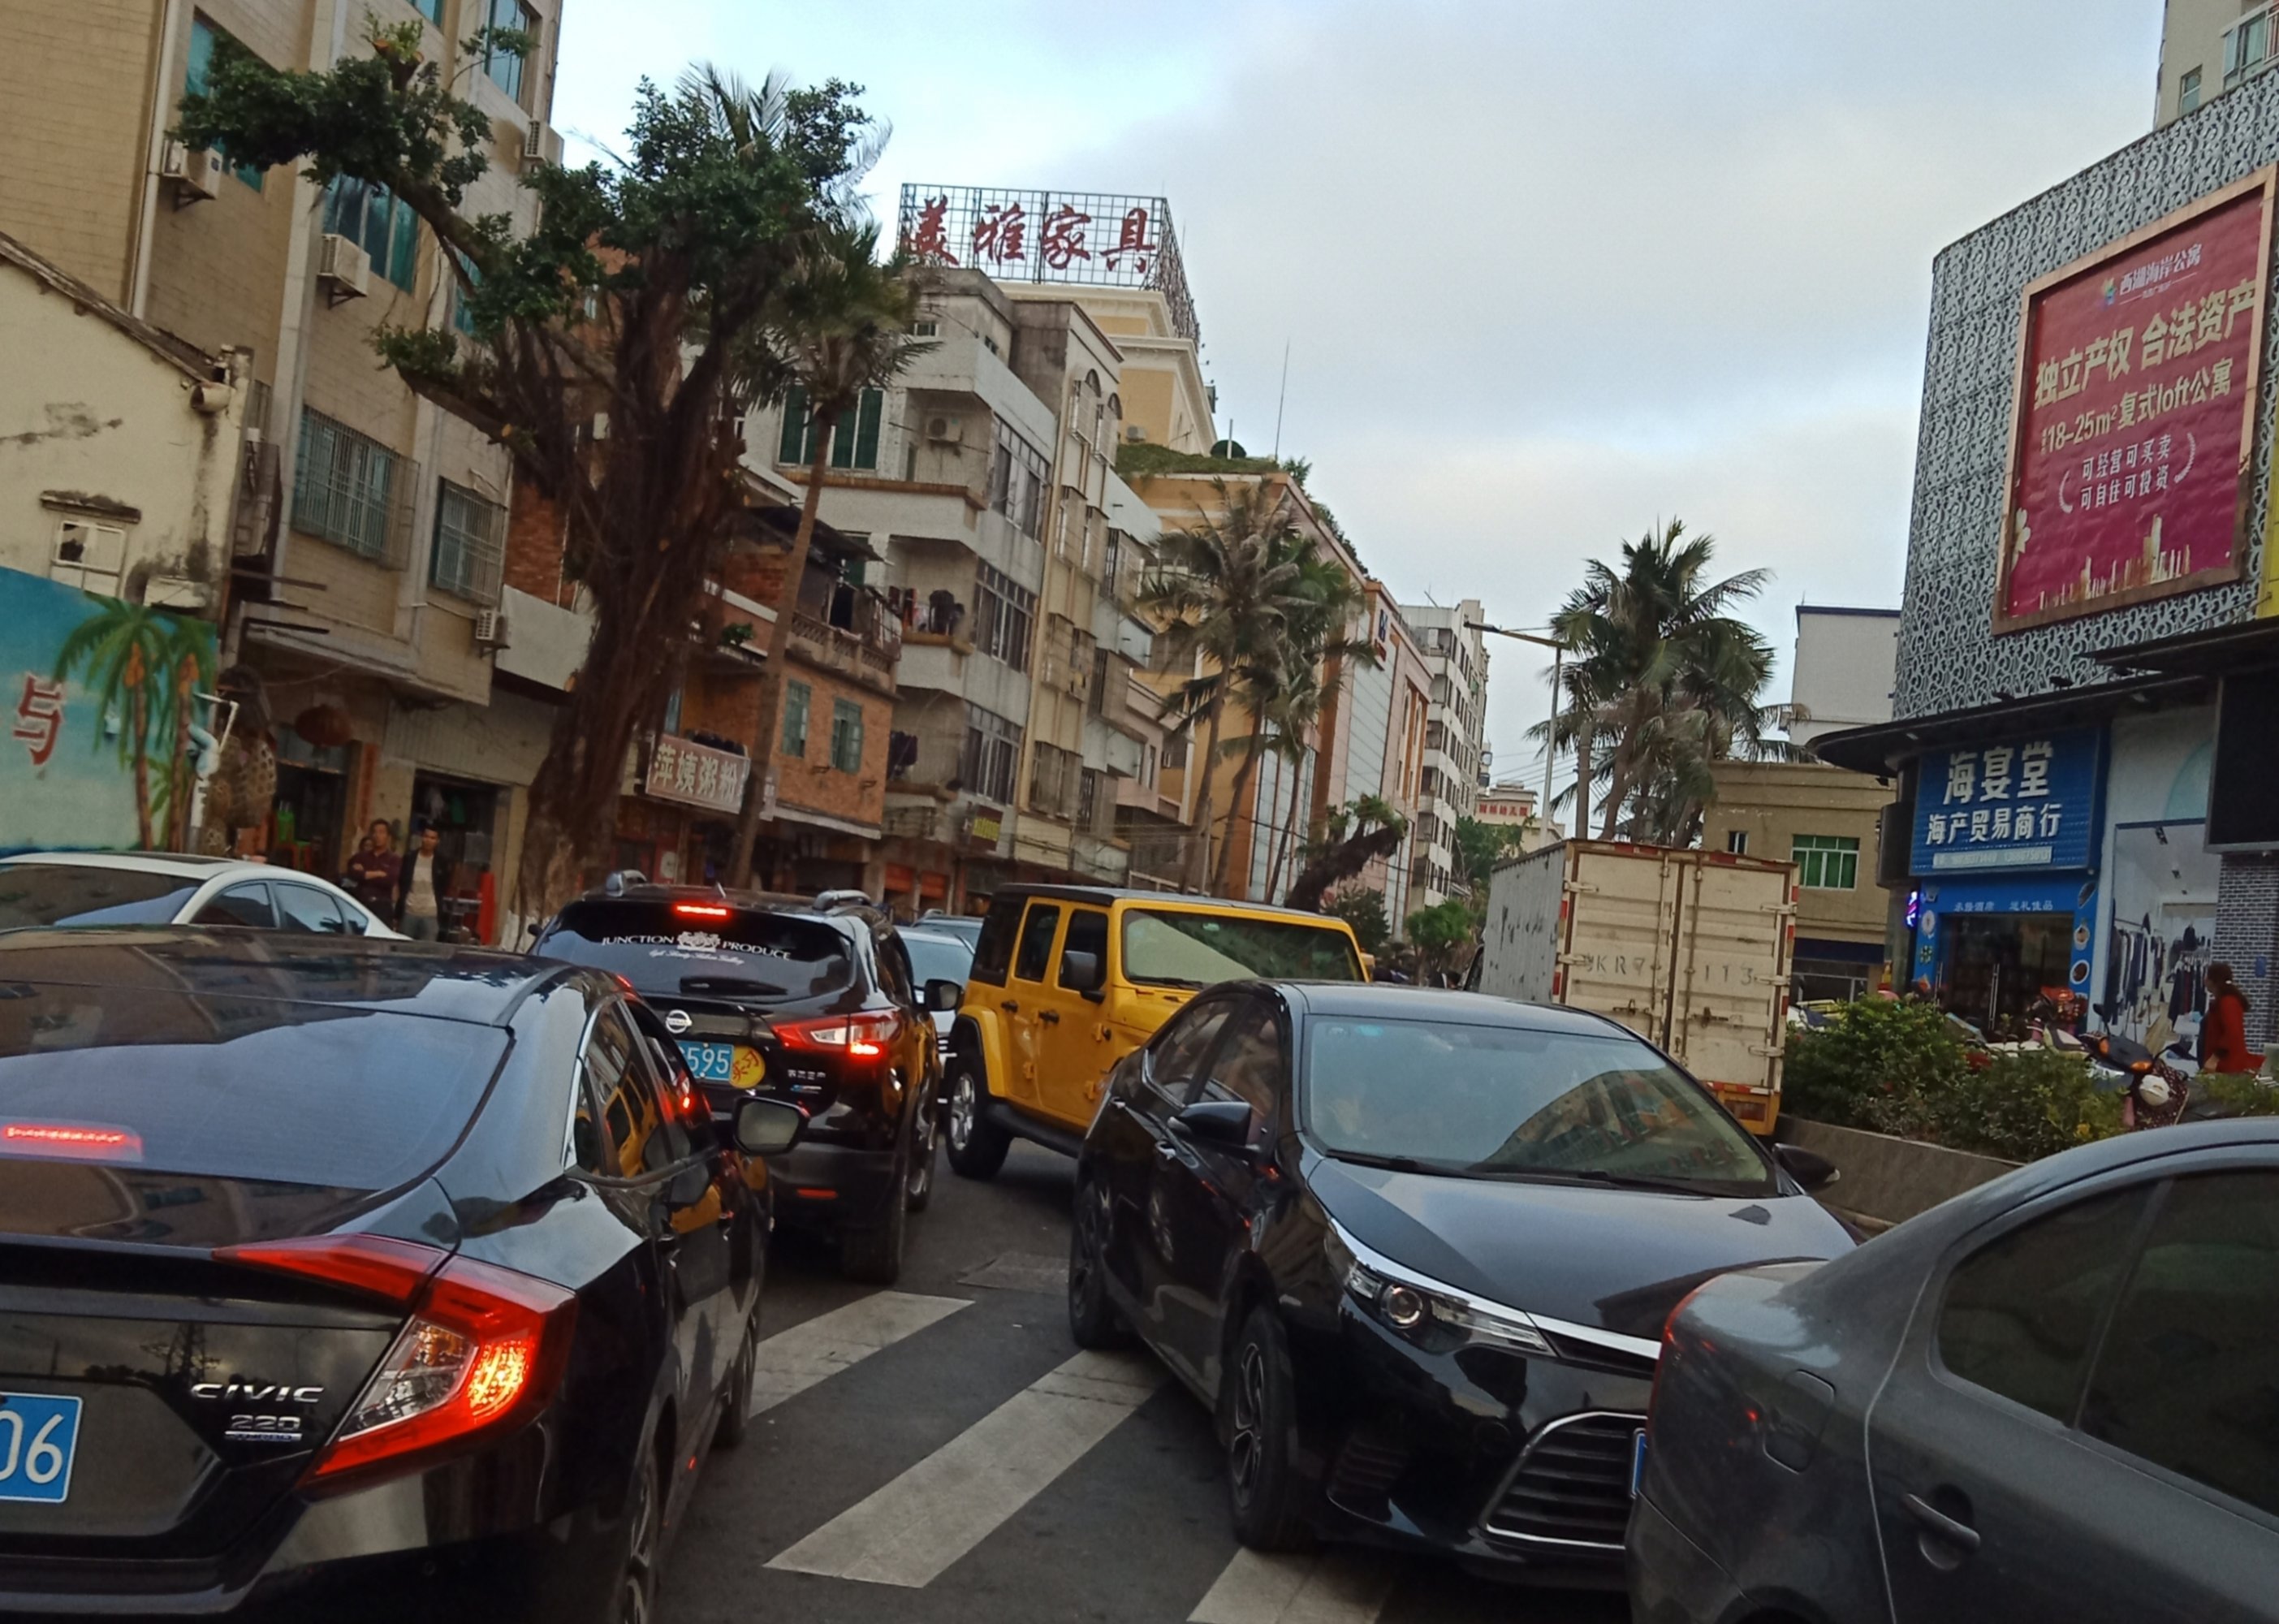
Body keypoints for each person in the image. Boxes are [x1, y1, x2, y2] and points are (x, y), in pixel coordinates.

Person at [396, 826, 452, 943]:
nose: (428, 841)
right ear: (422, 838)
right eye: (426, 837)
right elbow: (402, 882)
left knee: (428, 949)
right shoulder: (410, 858)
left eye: (432, 838)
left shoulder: (442, 861)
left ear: (437, 841)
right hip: (409, 911)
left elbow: (444, 885)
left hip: (431, 913)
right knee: (404, 947)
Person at [2201, 962, 2256, 1075]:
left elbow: (2232, 1032)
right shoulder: (2222, 1002)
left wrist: (2214, 1058)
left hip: (2226, 1066)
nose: (2205, 980)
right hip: (2220, 1066)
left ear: (2213, 980)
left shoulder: (2228, 1002)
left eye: (2207, 976)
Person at [343, 820, 400, 922]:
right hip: (361, 904)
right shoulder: (361, 856)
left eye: (381, 832)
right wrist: (378, 873)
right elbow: (352, 874)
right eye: (375, 832)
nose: (377, 835)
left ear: (388, 836)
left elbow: (389, 880)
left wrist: (364, 873)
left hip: (382, 906)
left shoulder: (394, 859)